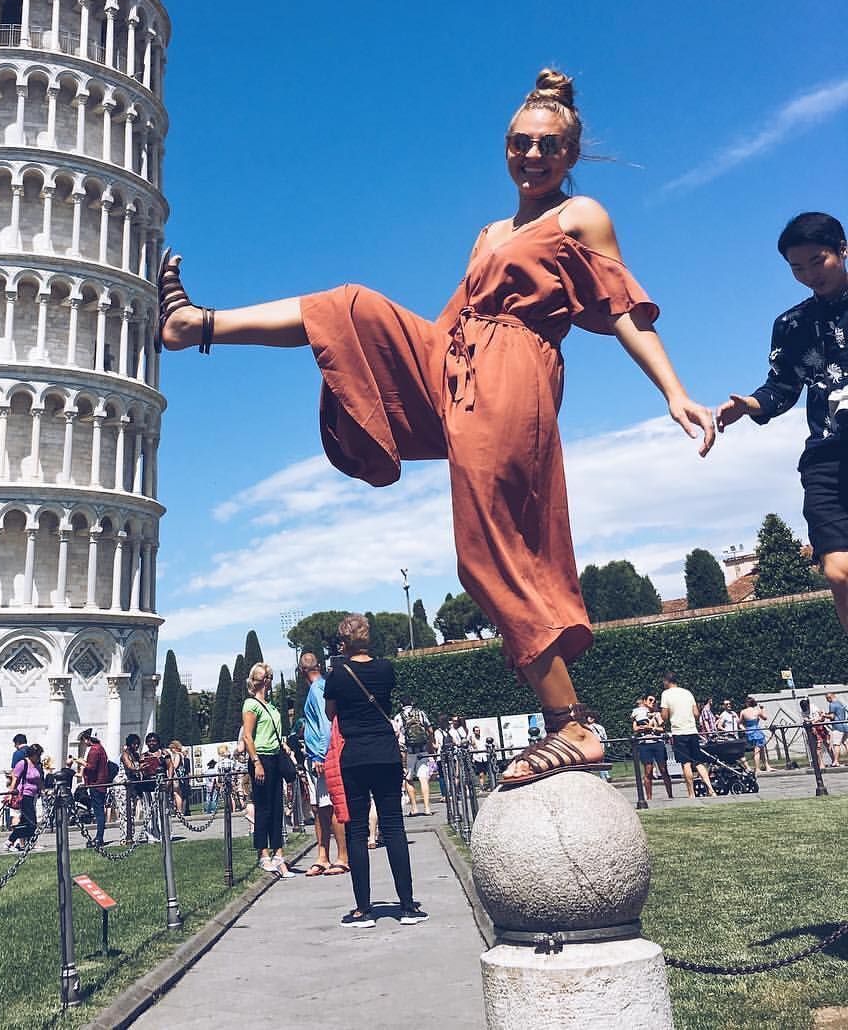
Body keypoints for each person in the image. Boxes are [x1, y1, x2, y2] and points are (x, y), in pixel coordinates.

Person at [158, 69, 714, 786]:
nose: (532, 155)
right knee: (348, 305)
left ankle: (570, 725)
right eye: (520, 143)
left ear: (570, 156)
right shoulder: (489, 232)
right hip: (457, 358)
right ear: (505, 148)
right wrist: (401, 364)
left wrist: (675, 391)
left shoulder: (580, 218)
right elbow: (454, 320)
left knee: (486, 552)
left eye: (548, 146)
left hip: (516, 373)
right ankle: (194, 325)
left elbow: (624, 311)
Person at [715, 211, 848, 636]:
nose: (809, 274)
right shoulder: (790, 325)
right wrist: (751, 404)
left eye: (818, 261)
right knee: (839, 572)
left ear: (842, 250)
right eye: (796, 268)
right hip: (826, 457)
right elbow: (783, 387)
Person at [325, 613, 428, 928]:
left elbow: (332, 714)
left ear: (344, 642)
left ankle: (363, 910)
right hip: (385, 752)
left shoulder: (338, 674)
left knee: (357, 831)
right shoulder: (386, 669)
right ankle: (408, 906)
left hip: (355, 755)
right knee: (394, 827)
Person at [299, 650, 349, 877]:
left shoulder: (317, 690)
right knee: (321, 808)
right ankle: (323, 856)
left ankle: (342, 856)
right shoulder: (320, 688)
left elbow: (325, 724)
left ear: (301, 671)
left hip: (322, 756)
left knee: (331, 804)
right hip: (317, 756)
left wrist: (320, 755)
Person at [241, 662, 292, 876]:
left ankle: (279, 855)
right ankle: (263, 853)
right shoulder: (250, 705)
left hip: (275, 757)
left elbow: (275, 734)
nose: (269, 679)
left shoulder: (271, 707)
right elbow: (247, 736)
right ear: (259, 681)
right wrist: (256, 762)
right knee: (263, 808)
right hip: (260, 758)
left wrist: (285, 746)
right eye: (266, 676)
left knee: (277, 807)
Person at [660, 675, 712, 800]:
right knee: (698, 762)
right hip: (692, 731)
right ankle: (711, 789)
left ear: (667, 681)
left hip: (679, 732)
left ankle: (691, 793)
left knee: (686, 763)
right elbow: (696, 713)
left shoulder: (666, 694)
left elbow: (664, 716)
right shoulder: (687, 693)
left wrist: (664, 716)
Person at [393, 697, 434, 817]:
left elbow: (396, 733)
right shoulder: (421, 713)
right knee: (423, 778)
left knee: (409, 779)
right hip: (422, 750)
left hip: (407, 752)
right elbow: (430, 730)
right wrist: (430, 745)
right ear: (412, 703)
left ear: (401, 704)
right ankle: (427, 808)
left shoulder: (399, 716)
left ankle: (414, 808)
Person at [631, 696, 673, 801]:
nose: (652, 702)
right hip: (644, 744)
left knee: (663, 770)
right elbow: (635, 729)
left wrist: (652, 728)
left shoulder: (657, 714)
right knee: (648, 771)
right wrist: (641, 729)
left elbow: (662, 729)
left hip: (657, 743)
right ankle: (649, 798)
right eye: (650, 700)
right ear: (644, 701)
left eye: (654, 701)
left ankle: (670, 795)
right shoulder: (637, 714)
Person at [7, 743, 44, 850]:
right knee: (31, 823)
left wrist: (43, 790)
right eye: (37, 755)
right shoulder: (23, 763)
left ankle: (11, 842)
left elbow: (39, 780)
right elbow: (15, 778)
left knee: (24, 823)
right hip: (24, 796)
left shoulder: (38, 765)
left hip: (33, 796)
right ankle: (11, 841)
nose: (39, 758)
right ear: (32, 754)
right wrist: (11, 794)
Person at [80, 729, 110, 847]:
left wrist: (81, 762)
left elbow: (91, 767)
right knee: (99, 811)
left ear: (88, 739)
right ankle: (99, 836)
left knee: (98, 812)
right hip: (100, 783)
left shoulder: (94, 750)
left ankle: (99, 838)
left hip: (96, 784)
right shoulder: (100, 748)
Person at [739, 698, 769, 773]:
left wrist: (744, 729)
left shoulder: (743, 712)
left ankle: (766, 766)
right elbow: (765, 718)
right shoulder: (757, 711)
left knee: (760, 749)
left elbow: (739, 723)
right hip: (756, 731)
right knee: (758, 750)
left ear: (747, 703)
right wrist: (762, 709)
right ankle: (757, 768)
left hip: (749, 731)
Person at [824, 690, 848, 768]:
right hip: (845, 726)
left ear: (829, 698)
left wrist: (824, 715)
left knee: (836, 744)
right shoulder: (840, 703)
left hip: (837, 727)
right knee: (846, 743)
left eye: (827, 699)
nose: (827, 701)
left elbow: (832, 716)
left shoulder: (832, 704)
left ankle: (836, 761)